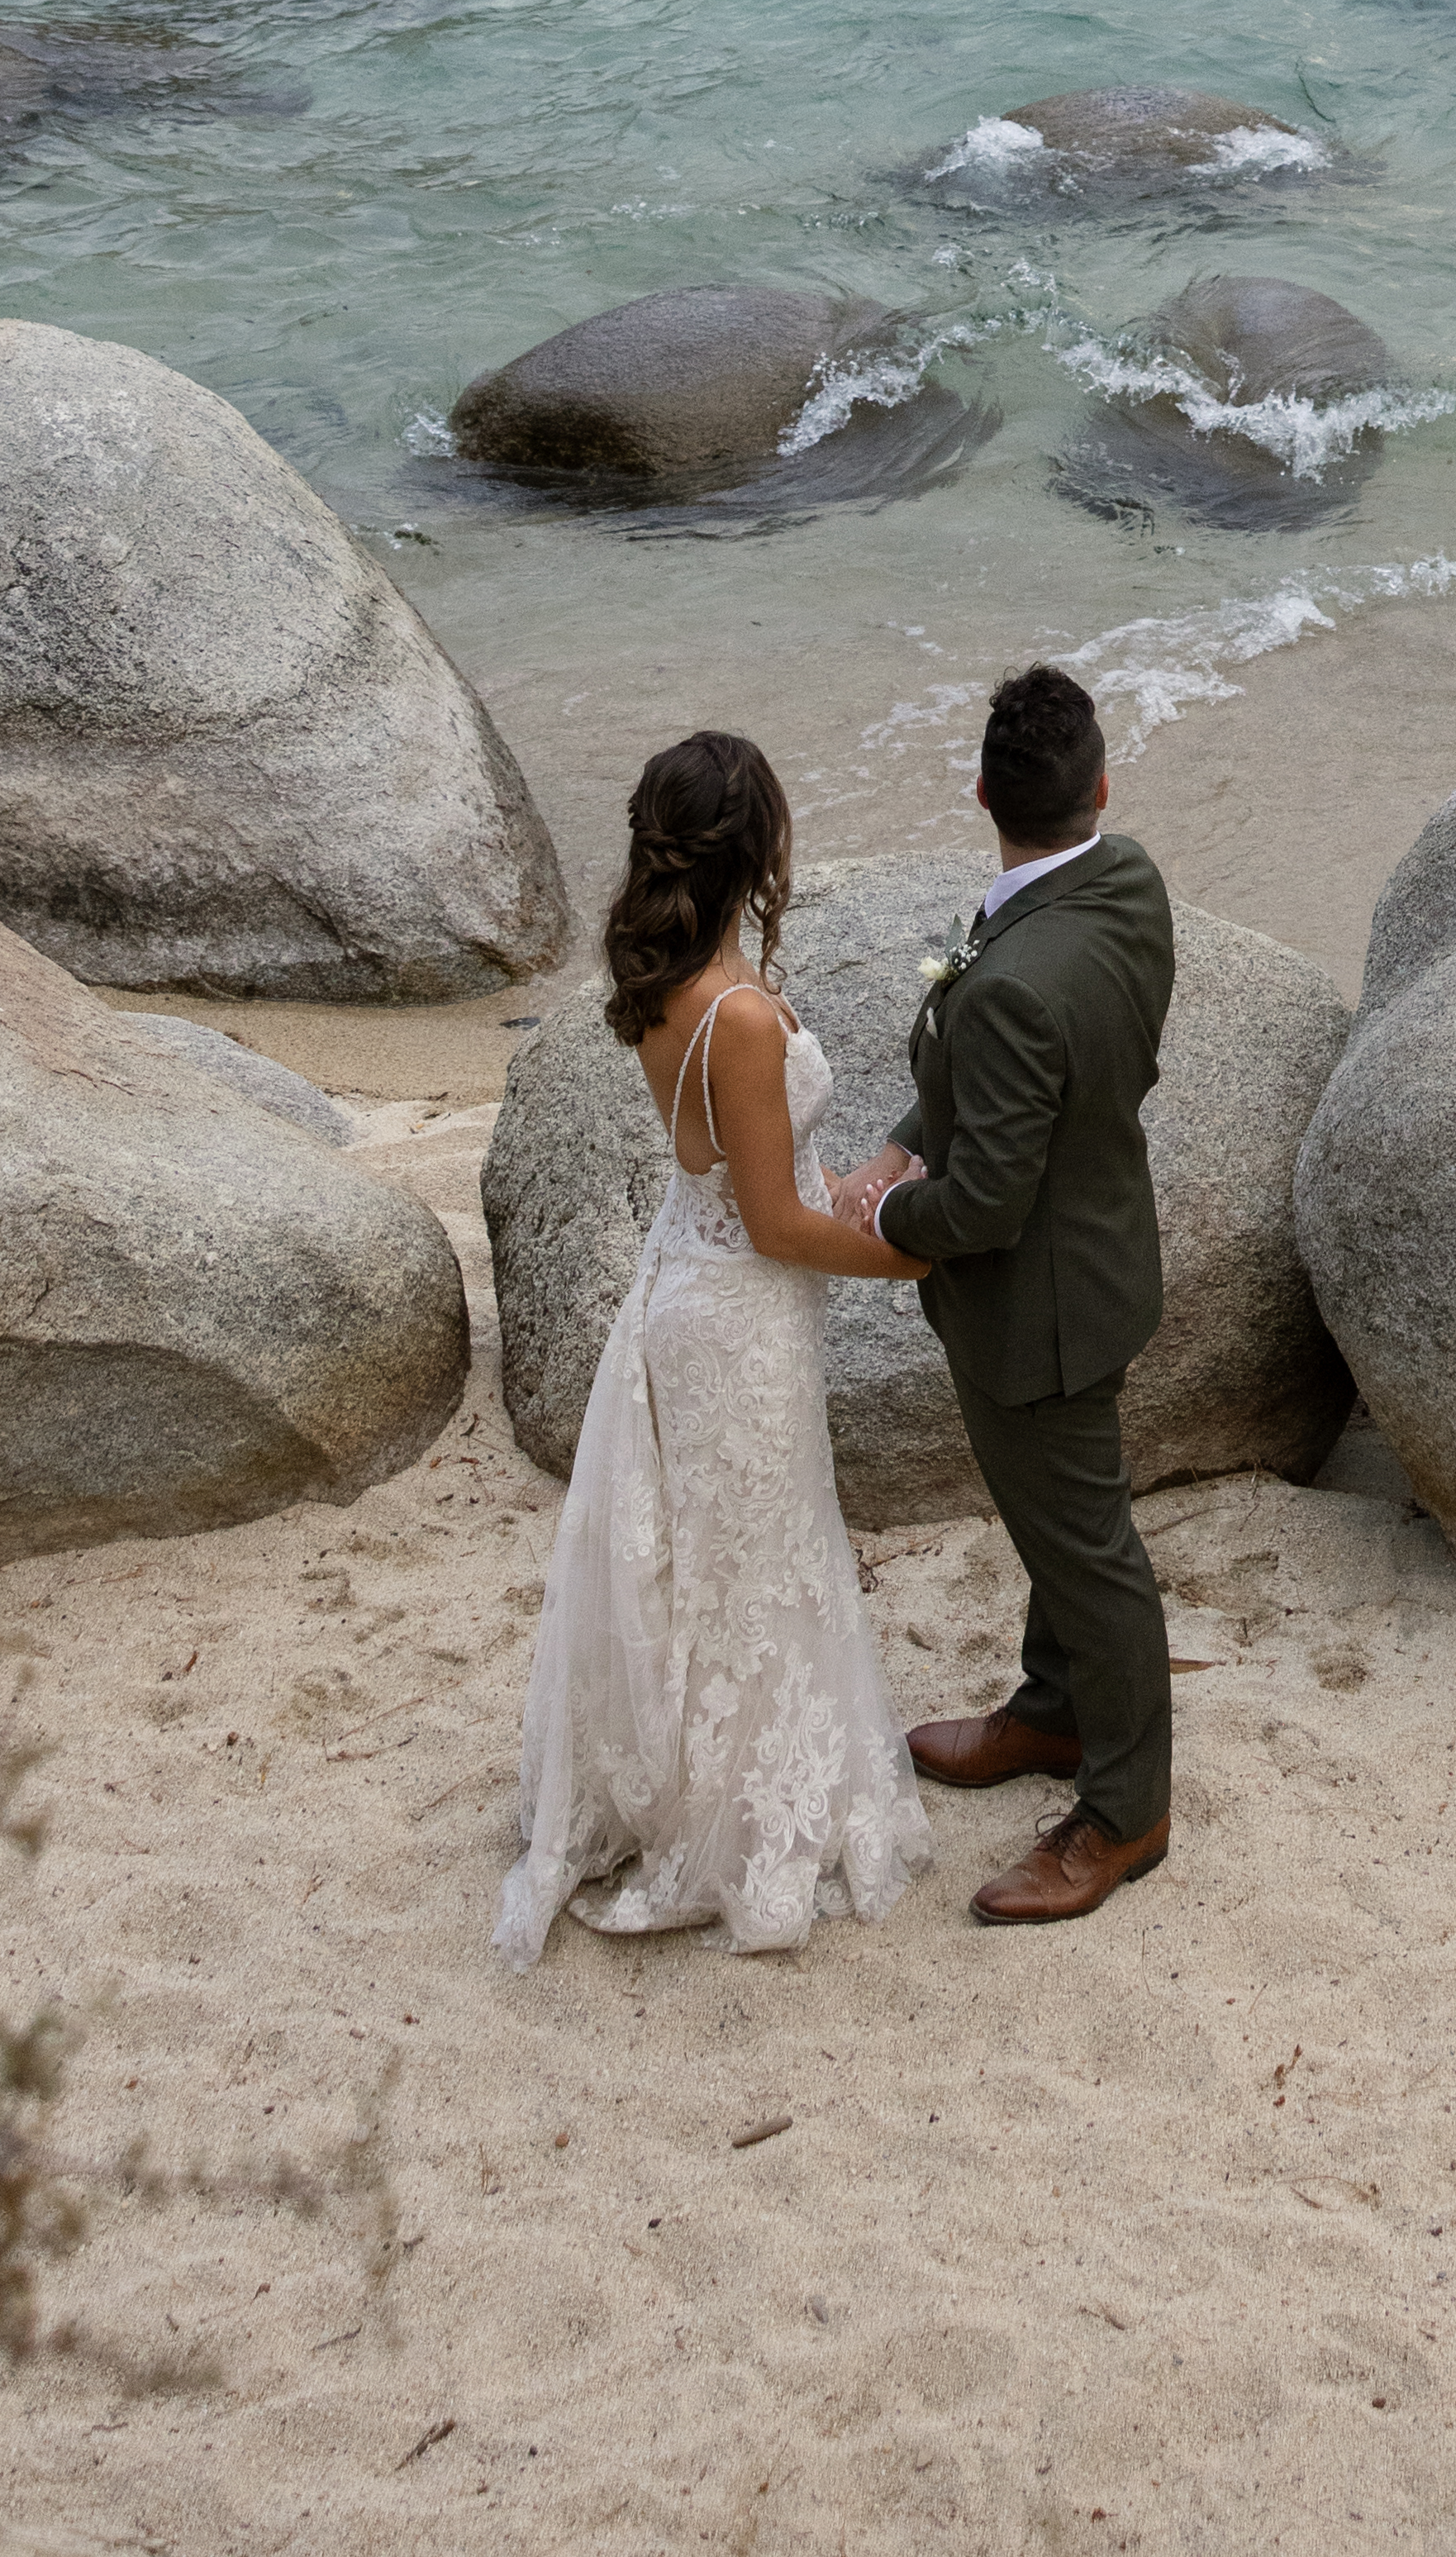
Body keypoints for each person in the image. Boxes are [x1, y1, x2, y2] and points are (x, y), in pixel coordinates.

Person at [497, 726, 935, 1965]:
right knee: (754, 1559)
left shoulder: (664, 989)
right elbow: (780, 1225)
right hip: (736, 1316)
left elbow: (766, 1183)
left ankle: (685, 1780)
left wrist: (875, 1177)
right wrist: (914, 1256)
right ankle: (726, 1816)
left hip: (688, 1284)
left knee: (710, 1560)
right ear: (759, 850)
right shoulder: (734, 1015)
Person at [822, 657, 1178, 1926]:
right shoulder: (1124, 881)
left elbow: (983, 1208)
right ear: (1099, 789)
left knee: (1091, 1552)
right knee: (1057, 1524)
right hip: (1105, 1250)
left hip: (1040, 1311)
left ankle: (1128, 1811)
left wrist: (880, 1209)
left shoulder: (1011, 986)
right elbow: (1012, 1071)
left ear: (981, 792)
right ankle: (1053, 1713)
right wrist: (905, 1138)